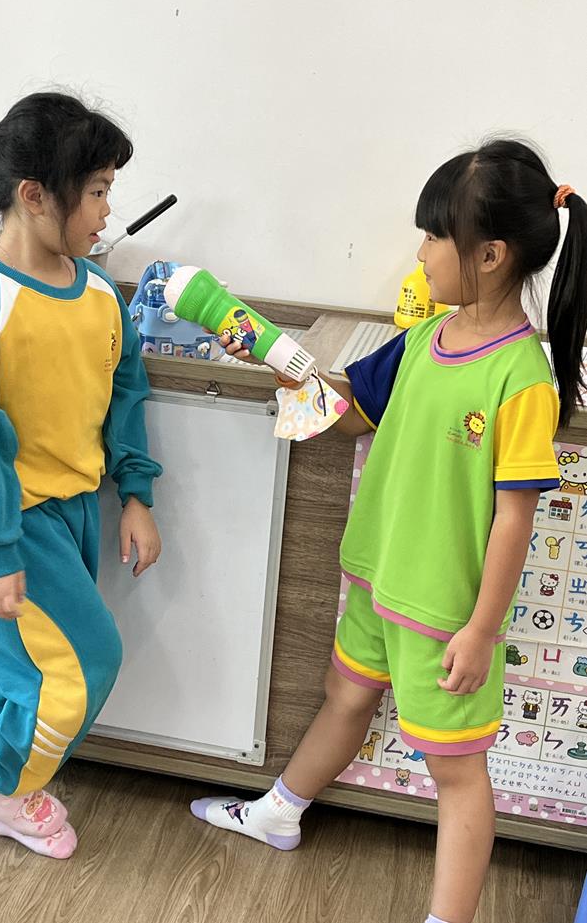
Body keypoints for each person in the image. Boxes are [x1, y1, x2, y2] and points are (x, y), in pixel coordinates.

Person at [192, 139, 585, 923]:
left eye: (433, 236)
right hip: (377, 576)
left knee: (456, 772)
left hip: (440, 611)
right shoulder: (420, 340)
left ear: (490, 254)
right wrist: (274, 358)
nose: (420, 252)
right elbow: (348, 413)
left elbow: (515, 517)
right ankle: (279, 810)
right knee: (344, 693)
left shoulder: (520, 379)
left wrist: (480, 630)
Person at [0, 92, 162, 858]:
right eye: (95, 191)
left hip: (76, 513)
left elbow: (124, 393)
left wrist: (136, 495)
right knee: (85, 663)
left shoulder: (98, 292)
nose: (106, 210)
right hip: (10, 521)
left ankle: (0, 793)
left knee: (25, 669)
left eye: (109, 190)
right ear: (33, 195)